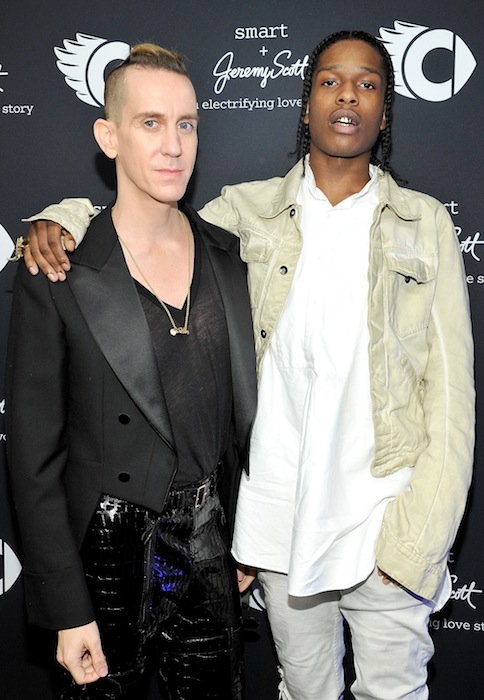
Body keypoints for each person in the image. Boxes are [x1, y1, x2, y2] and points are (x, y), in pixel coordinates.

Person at [18, 30, 475, 700]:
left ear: (386, 111)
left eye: (368, 83)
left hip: (385, 522)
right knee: (304, 689)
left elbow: (452, 399)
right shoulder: (247, 212)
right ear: (306, 104)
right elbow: (143, 218)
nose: (348, 95)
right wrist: (60, 219)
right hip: (282, 525)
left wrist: (419, 541)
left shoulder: (424, 223)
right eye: (330, 81)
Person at [6, 43, 257, 700]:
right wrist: (67, 608)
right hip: (105, 555)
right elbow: (33, 460)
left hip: (210, 544)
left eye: (187, 124)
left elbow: (241, 425)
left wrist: (245, 536)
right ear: (108, 136)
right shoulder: (58, 270)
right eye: (150, 123)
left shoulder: (232, 260)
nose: (173, 146)